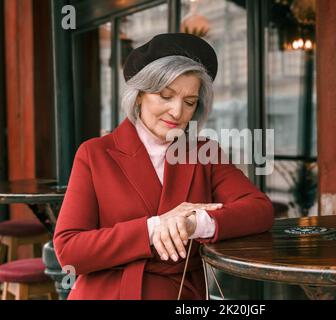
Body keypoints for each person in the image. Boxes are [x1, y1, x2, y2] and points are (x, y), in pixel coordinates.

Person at [53, 33, 274, 300]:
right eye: (165, 96)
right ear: (139, 96)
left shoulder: (204, 153)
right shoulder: (94, 153)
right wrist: (154, 227)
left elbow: (259, 210)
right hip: (108, 292)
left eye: (189, 102)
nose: (177, 112)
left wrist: (195, 223)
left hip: (181, 295)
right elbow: (69, 251)